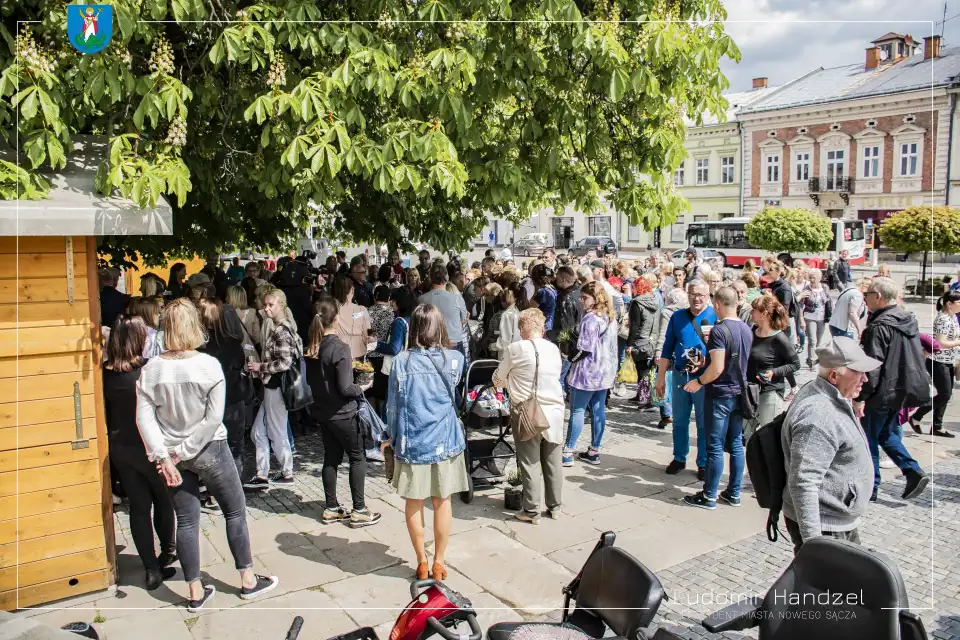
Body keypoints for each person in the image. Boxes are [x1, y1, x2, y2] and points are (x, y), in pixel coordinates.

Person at [136, 299, 278, 611]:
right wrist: (180, 451)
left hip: (173, 453)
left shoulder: (151, 369)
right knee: (235, 511)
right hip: (209, 447)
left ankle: (194, 591)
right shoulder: (207, 364)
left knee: (186, 520)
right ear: (193, 327)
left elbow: (144, 419)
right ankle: (248, 580)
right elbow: (214, 419)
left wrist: (163, 456)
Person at [382, 304, 468, 581]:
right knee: (442, 501)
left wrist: (390, 438)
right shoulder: (455, 359)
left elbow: (393, 408)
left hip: (413, 440)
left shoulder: (401, 361)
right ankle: (439, 562)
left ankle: (421, 561)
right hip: (444, 440)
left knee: (414, 503)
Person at [781, 338, 879, 554]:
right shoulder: (819, 415)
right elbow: (803, 483)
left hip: (836, 521)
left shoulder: (830, 394)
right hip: (826, 528)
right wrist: (813, 546)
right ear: (834, 376)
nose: (865, 378)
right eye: (859, 372)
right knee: (831, 586)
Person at [104, 315, 177, 590]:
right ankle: (167, 552)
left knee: (139, 507)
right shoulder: (147, 370)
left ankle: (150, 569)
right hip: (149, 446)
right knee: (163, 500)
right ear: (137, 340)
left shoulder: (105, 374)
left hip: (121, 448)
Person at [306, 297, 381, 528]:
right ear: (336, 318)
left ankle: (331, 507)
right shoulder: (339, 348)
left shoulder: (312, 347)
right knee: (357, 457)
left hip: (324, 412)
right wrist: (365, 386)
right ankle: (359, 509)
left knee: (331, 459)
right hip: (344, 412)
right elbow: (346, 387)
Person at [855, 277, 930, 501]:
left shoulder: (879, 326)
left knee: (868, 437)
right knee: (885, 433)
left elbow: (872, 366)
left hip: (882, 391)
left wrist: (861, 397)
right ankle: (913, 471)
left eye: (867, 295)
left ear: (878, 297)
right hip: (900, 388)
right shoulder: (906, 319)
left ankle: (871, 486)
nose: (865, 299)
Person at [682, 287, 752, 510]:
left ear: (718, 305)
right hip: (739, 393)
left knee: (714, 446)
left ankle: (709, 494)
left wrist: (699, 381)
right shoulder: (746, 328)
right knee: (736, 445)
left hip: (720, 394)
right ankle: (733, 492)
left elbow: (718, 367)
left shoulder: (719, 331)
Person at [493, 309, 564, 524]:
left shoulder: (514, 349)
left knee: (529, 461)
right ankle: (555, 506)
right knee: (553, 460)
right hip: (554, 410)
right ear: (541, 328)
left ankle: (532, 510)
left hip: (526, 411)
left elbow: (498, 378)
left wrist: (508, 383)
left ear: (521, 329)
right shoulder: (553, 349)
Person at [655, 280, 717, 479]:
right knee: (679, 421)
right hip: (681, 375)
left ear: (708, 295)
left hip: (703, 379)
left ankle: (703, 462)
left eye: (701, 294)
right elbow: (667, 347)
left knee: (702, 423)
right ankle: (679, 457)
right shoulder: (678, 316)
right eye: (693, 294)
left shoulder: (715, 316)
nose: (697, 298)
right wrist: (661, 377)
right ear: (687, 294)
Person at [244, 288, 299, 489]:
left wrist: (261, 367)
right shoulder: (280, 328)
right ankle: (263, 474)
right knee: (259, 431)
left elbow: (285, 363)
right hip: (271, 387)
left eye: (270, 305)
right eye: (265, 305)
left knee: (276, 430)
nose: (266, 309)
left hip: (276, 388)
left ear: (281, 306)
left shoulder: (281, 330)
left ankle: (285, 472)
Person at [562, 282, 618, 466]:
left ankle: (568, 451)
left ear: (596, 298)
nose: (581, 300)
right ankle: (594, 450)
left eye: (585, 297)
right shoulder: (609, 316)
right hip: (603, 371)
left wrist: (569, 357)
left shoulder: (590, 319)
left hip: (587, 372)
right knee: (597, 410)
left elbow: (584, 349)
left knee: (577, 410)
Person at [196, 297, 249, 491]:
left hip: (208, 403)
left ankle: (211, 490)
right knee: (235, 445)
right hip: (232, 398)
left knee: (210, 446)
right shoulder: (232, 342)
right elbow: (240, 364)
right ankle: (233, 491)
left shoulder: (197, 348)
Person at [744, 294, 800, 440]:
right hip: (750, 392)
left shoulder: (779, 338)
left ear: (764, 314)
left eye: (754, 310)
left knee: (768, 436)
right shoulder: (752, 331)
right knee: (746, 436)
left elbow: (795, 364)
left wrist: (774, 372)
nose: (751, 313)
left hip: (770, 392)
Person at [910, 291, 960, 437]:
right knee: (945, 394)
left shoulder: (953, 317)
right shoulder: (943, 319)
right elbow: (941, 343)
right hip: (938, 361)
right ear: (949, 304)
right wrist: (958, 342)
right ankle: (916, 416)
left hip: (948, 360)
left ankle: (937, 426)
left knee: (946, 394)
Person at [418, 262, 469, 373]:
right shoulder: (456, 298)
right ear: (446, 278)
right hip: (453, 344)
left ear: (430, 278)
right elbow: (464, 319)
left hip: (430, 346)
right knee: (457, 380)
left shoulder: (422, 299)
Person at [371, 287, 415, 403]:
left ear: (398, 302)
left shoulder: (399, 322)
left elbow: (394, 348)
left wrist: (375, 344)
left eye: (393, 300)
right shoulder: (414, 319)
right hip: (409, 366)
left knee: (389, 405)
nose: (391, 302)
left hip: (395, 369)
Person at [652, 288, 687, 430]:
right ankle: (675, 412)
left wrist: (658, 352)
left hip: (669, 353)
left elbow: (663, 334)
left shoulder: (667, 312)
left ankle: (667, 415)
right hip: (681, 353)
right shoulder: (687, 312)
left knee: (665, 381)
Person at [626, 278, 659, 407]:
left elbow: (635, 326)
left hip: (640, 340)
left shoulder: (637, 303)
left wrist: (629, 343)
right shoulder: (654, 301)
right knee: (646, 369)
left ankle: (644, 397)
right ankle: (642, 395)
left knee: (642, 369)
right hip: (651, 339)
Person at [550, 266, 583, 388]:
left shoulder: (566, 298)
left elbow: (566, 328)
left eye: (557, 279)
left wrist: (550, 335)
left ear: (563, 280)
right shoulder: (579, 293)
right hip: (577, 343)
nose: (555, 281)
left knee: (558, 380)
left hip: (567, 346)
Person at [332, 275, 373, 360]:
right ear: (352, 290)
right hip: (359, 353)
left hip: (338, 352)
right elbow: (367, 336)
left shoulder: (332, 310)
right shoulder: (361, 310)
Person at [799, 268, 832, 370]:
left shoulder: (825, 287)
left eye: (814, 278)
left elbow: (829, 302)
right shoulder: (806, 289)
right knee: (812, 340)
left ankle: (817, 359)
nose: (812, 280)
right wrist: (801, 319)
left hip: (822, 317)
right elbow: (800, 305)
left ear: (819, 278)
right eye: (810, 278)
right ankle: (811, 361)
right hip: (809, 317)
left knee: (820, 341)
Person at [492, 283, 521, 359]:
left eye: (507, 293)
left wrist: (493, 346)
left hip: (507, 355)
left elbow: (505, 341)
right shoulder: (517, 311)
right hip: (516, 353)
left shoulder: (508, 314)